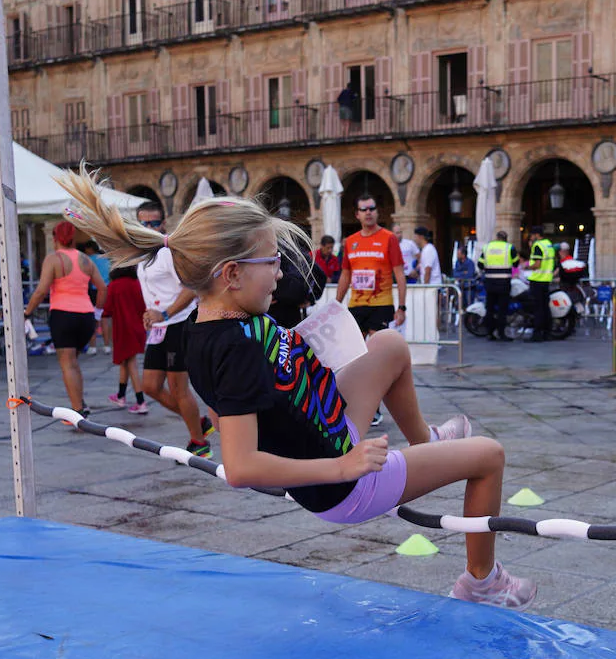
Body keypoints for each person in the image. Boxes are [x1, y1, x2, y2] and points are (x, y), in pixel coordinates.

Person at [58, 167, 537, 608]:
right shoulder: (234, 347)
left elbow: (278, 381)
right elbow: (242, 466)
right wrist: (343, 465)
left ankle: (426, 445)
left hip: (329, 424)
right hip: (346, 483)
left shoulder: (225, 322)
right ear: (231, 274)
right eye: (272, 262)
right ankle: (482, 580)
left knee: (390, 345)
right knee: (488, 455)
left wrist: (312, 345)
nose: (282, 273)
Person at [135, 202, 214, 457]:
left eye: (153, 223)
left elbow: (190, 287)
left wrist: (166, 313)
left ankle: (199, 443)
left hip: (178, 324)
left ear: (163, 224)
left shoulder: (169, 253)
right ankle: (199, 423)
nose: (149, 228)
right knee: (150, 386)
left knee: (179, 388)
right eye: (143, 223)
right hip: (159, 327)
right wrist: (151, 315)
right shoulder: (142, 255)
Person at [23, 220, 109, 417]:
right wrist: (97, 313)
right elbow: (102, 288)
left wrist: (27, 312)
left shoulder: (53, 259)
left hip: (63, 315)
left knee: (67, 363)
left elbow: (41, 290)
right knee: (73, 362)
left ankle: (77, 411)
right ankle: (80, 403)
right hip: (86, 316)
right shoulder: (86, 260)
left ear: (55, 238)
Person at [336, 194, 407, 427]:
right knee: (353, 359)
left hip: (381, 305)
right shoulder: (350, 242)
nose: (368, 212)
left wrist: (402, 306)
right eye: (363, 209)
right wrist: (337, 304)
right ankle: (362, 406)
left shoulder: (388, 238)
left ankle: (376, 407)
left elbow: (399, 274)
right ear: (356, 214)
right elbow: (346, 274)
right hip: (356, 305)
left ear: (377, 212)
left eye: (372, 208)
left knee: (376, 358)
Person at [102, 265, 149, 414]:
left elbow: (108, 308)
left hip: (123, 329)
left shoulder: (115, 285)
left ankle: (141, 401)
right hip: (137, 328)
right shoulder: (137, 283)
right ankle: (120, 395)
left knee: (131, 364)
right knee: (126, 362)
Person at [477, 230, 518, 342]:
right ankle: (501, 333)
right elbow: (516, 263)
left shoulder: (487, 247)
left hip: (490, 282)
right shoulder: (509, 248)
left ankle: (489, 333)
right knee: (502, 310)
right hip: (504, 283)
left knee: (489, 309)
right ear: (506, 238)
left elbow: (480, 264)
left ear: (497, 237)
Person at [268, 249, 325, 328]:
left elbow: (320, 275)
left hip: (286, 306)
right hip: (289, 305)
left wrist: (311, 299)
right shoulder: (298, 253)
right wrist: (311, 299)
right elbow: (321, 276)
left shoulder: (271, 250)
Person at [525, 225, 557, 342]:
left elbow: (537, 264)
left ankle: (537, 334)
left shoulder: (537, 246)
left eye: (532, 235)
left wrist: (527, 266)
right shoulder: (548, 244)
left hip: (537, 279)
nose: (531, 237)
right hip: (546, 279)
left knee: (538, 308)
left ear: (537, 235)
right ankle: (547, 332)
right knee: (545, 307)